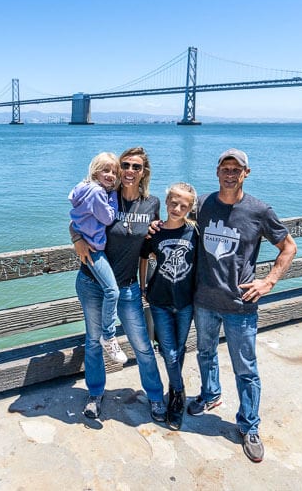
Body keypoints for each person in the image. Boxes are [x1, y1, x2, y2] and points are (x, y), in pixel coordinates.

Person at [188, 148, 297, 464]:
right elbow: (177, 216)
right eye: (225, 167)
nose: (230, 173)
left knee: (246, 369)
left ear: (246, 173)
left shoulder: (260, 211)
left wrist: (268, 282)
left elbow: (289, 247)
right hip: (204, 300)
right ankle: (210, 395)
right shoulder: (204, 204)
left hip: (241, 304)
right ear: (217, 171)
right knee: (205, 353)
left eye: (237, 169)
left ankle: (249, 426)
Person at [71, 146, 167, 423]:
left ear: (143, 172)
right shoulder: (105, 194)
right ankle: (95, 393)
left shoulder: (151, 204)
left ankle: (156, 396)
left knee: (142, 345)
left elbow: (151, 244)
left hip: (126, 287)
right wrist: (76, 239)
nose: (129, 171)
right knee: (92, 341)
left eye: (136, 167)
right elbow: (76, 220)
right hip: (91, 283)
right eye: (125, 165)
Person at [139, 182, 198, 431]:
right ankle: (178, 394)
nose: (177, 208)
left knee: (180, 348)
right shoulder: (154, 233)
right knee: (169, 352)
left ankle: (174, 388)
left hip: (186, 302)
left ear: (190, 208)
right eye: (173, 203)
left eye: (183, 205)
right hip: (160, 301)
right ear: (166, 203)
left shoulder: (195, 233)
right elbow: (143, 257)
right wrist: (143, 287)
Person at [69, 152, 127, 364]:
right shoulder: (98, 194)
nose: (111, 175)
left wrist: (77, 235)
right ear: (95, 171)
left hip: (91, 248)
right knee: (112, 291)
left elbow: (75, 219)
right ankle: (109, 336)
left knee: (110, 292)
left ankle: (107, 337)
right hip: (94, 251)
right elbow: (108, 217)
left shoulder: (83, 189)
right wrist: (112, 196)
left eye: (114, 172)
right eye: (106, 170)